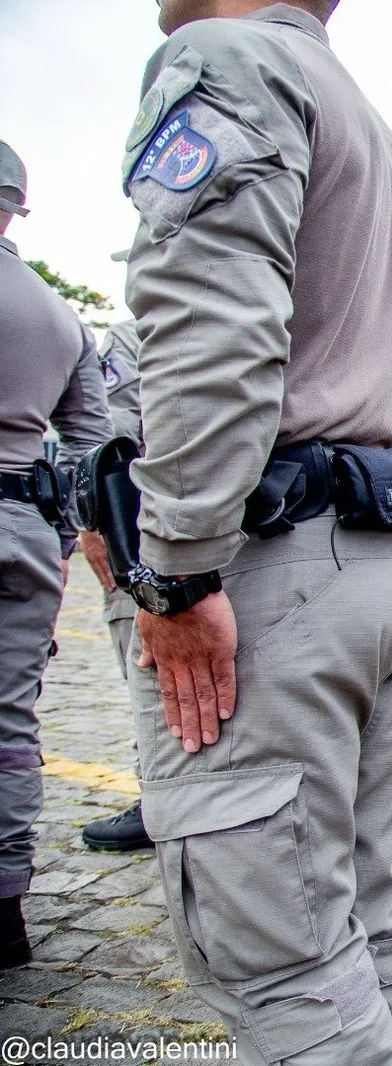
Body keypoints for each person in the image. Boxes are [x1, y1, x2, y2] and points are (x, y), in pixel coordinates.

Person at [119, 2, 392, 1061]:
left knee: (279, 952)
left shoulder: (222, 58)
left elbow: (210, 326)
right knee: (372, 912)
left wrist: (177, 568)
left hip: (277, 563)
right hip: (375, 555)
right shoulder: (362, 120)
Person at [0, 139, 112, 968]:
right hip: (27, 526)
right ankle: (5, 906)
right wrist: (72, 529)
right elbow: (90, 441)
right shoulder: (57, 311)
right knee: (9, 723)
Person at [80, 253, 155, 855]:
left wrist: (93, 522)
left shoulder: (133, 335)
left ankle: (156, 796)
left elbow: (112, 434)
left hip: (146, 526)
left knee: (143, 662)